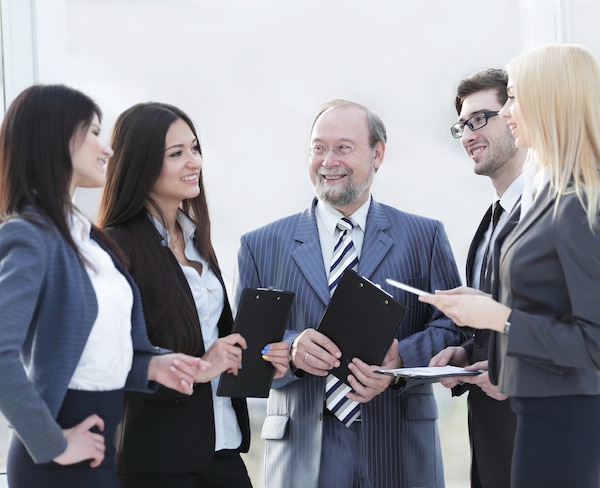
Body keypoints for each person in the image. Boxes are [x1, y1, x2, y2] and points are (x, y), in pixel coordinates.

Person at [420, 44, 600, 488]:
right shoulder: (552, 200)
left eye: (513, 97)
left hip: (563, 417)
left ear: (550, 100)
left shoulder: (578, 204)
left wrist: (496, 316)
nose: (510, 110)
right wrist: (487, 344)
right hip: (541, 410)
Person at [234, 98, 466, 488]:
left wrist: (400, 361)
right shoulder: (261, 245)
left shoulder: (424, 237)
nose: (328, 160)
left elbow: (454, 329)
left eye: (343, 147)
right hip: (302, 454)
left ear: (378, 154)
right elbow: (243, 354)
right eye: (319, 148)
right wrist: (291, 350)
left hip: (400, 447)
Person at [0, 84, 207, 488]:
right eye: (93, 132)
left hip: (100, 448)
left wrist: (152, 364)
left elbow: (98, 348)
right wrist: (53, 444)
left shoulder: (88, 240)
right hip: (57, 458)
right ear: (56, 138)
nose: (106, 148)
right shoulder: (29, 235)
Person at [97, 101, 290, 488]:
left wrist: (258, 359)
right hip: (159, 459)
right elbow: (113, 360)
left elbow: (212, 335)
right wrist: (201, 365)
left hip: (223, 446)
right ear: (140, 163)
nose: (194, 161)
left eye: (195, 148)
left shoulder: (197, 239)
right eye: (177, 153)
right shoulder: (116, 247)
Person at [429, 68, 525, 488]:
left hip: (541, 436)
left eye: (480, 119)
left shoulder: (558, 209)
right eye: (462, 126)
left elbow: (592, 324)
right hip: (489, 443)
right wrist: (466, 355)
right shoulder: (486, 225)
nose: (468, 134)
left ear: (517, 114)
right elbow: (493, 328)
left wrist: (517, 373)